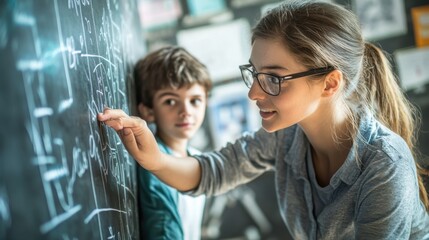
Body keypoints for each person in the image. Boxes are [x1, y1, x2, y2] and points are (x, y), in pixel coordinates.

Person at [98, 1, 429, 239]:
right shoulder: (286, 134)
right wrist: (154, 158)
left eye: (273, 78)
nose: (254, 93)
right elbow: (216, 170)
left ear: (329, 83)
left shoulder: (385, 164)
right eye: (254, 75)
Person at [132, 46, 212, 240]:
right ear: (148, 111)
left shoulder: (197, 157)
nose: (186, 111)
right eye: (170, 101)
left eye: (195, 100)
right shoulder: (154, 163)